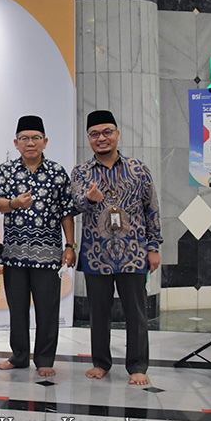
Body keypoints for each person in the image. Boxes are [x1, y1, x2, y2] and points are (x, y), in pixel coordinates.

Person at [71, 110, 161, 386]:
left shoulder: (138, 169)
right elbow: (75, 205)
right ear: (88, 138)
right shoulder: (81, 172)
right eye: (95, 134)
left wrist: (153, 246)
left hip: (133, 253)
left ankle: (137, 365)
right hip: (96, 254)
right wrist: (90, 199)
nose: (101, 138)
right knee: (99, 313)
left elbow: (152, 208)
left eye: (107, 132)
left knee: (136, 312)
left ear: (117, 134)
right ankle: (101, 363)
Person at [0, 115, 75, 377]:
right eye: (25, 138)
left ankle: (45, 359)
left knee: (47, 309)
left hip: (48, 254)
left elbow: (67, 212)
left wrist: (70, 245)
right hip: (14, 253)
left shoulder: (57, 172)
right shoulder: (6, 171)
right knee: (17, 309)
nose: (30, 143)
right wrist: (14, 203)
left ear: (45, 142)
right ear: (16, 143)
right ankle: (18, 356)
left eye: (36, 138)